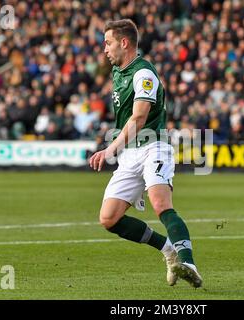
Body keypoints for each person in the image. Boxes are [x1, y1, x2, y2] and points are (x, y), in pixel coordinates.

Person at [88, 19, 202, 288]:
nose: (104, 49)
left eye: (108, 43)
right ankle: (168, 251)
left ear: (124, 43)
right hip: (130, 154)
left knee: (161, 204)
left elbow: (139, 118)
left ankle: (188, 263)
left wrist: (110, 148)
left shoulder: (143, 74)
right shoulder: (119, 73)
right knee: (109, 218)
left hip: (154, 147)